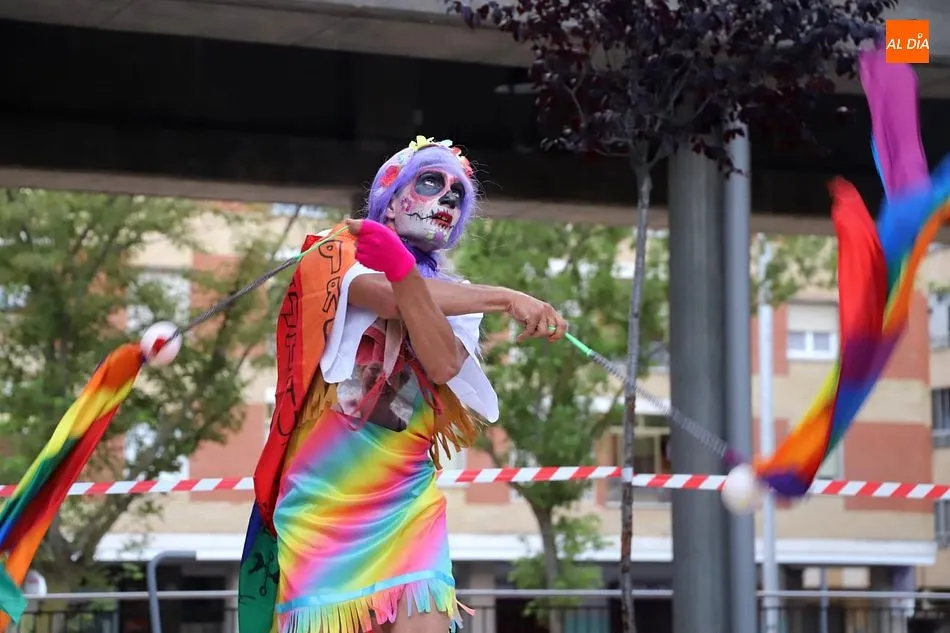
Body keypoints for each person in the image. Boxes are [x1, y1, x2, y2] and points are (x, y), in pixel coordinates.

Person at [239, 136, 568, 633]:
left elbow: (442, 364)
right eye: (432, 182)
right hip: (321, 505)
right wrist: (505, 297)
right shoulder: (335, 253)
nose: (449, 197)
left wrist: (469, 293)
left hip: (407, 500)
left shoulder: (459, 297)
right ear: (390, 201)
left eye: (459, 193)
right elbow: (390, 297)